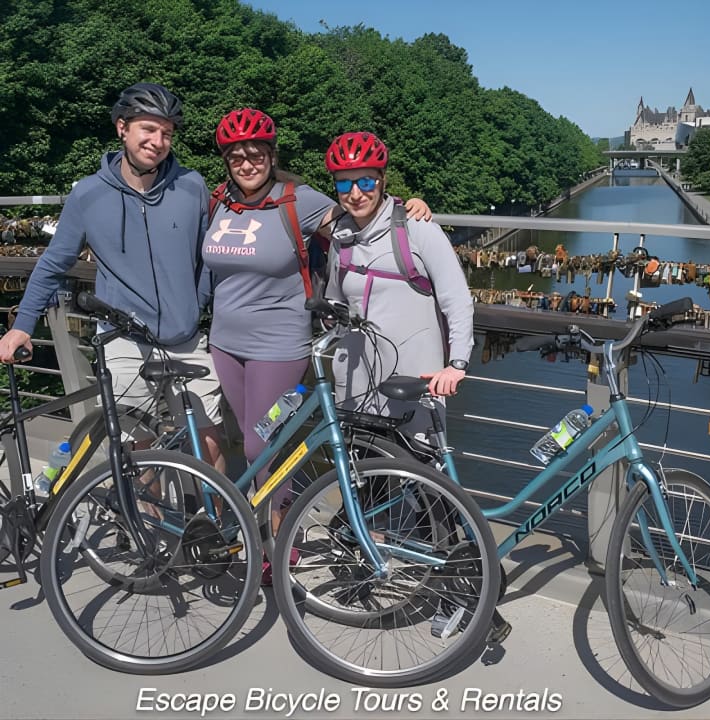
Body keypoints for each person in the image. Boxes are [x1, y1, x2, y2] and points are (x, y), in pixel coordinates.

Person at [201, 108, 432, 556]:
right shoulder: (217, 201)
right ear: (227, 163)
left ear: (272, 155)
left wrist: (405, 206)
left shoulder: (298, 201)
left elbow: (359, 216)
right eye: (236, 158)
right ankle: (264, 529)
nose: (247, 164)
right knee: (247, 440)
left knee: (260, 443)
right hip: (225, 341)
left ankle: (276, 542)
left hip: (280, 342)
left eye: (256, 154)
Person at [0, 83, 224, 470]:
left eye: (167, 133)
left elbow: (208, 257)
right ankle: (147, 528)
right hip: (123, 341)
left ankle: (216, 526)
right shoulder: (88, 195)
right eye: (148, 130)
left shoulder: (192, 185)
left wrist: (196, 304)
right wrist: (23, 325)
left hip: (185, 338)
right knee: (138, 450)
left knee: (209, 440)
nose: (158, 141)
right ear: (122, 128)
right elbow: (54, 263)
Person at [323, 131, 475, 441]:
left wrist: (457, 364)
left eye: (365, 182)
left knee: (424, 479)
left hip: (414, 384)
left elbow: (457, 299)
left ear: (382, 180)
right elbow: (335, 302)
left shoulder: (417, 229)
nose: (355, 193)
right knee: (364, 481)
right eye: (344, 183)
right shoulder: (340, 238)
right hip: (357, 384)